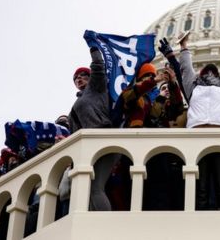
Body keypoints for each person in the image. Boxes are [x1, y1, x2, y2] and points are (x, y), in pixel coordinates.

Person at [178, 28, 220, 209]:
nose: (208, 74)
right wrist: (183, 46)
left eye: (212, 71)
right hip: (196, 139)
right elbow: (185, 69)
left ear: (218, 74)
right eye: (205, 71)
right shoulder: (192, 87)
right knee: (201, 185)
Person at [120, 62, 185, 209]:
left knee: (160, 188)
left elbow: (177, 109)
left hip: (157, 150)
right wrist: (154, 80)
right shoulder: (134, 96)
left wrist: (173, 83)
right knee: (135, 188)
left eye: (152, 76)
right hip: (134, 147)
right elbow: (129, 97)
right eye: (146, 77)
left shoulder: (158, 101)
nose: (150, 79)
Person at [68, 47, 115, 211]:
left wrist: (94, 47)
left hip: (102, 138)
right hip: (87, 146)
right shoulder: (75, 105)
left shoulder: (96, 88)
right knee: (85, 189)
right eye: (75, 78)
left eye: (82, 76)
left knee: (95, 188)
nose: (79, 79)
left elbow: (98, 66)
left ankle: (103, 224)